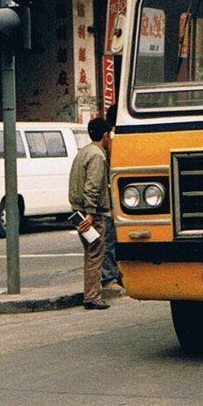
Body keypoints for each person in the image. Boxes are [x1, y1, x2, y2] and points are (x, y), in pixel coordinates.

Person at [68, 117, 112, 310]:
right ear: (105, 135)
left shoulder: (83, 153)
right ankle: (93, 296)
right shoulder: (97, 155)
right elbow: (92, 186)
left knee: (90, 252)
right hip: (91, 214)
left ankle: (91, 294)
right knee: (95, 253)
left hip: (78, 210)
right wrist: (91, 214)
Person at [100, 104, 124, 295]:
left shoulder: (115, 138)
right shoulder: (114, 139)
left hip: (114, 200)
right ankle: (110, 277)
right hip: (112, 202)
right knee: (110, 240)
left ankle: (115, 275)